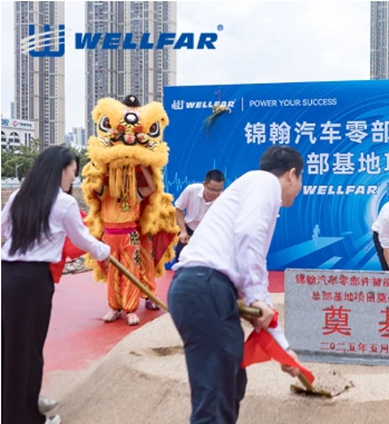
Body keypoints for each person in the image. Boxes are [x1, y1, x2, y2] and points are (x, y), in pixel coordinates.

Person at [168, 146, 304, 423]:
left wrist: (283, 347)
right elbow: (249, 235)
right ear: (292, 174)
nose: (299, 188)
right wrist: (255, 298)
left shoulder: (253, 191)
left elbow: (254, 272)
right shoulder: (265, 182)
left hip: (206, 291)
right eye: (301, 179)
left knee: (231, 385)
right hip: (205, 287)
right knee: (215, 400)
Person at [1, 146, 111, 424]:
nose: (73, 178)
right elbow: (82, 238)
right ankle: (24, 417)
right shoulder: (64, 203)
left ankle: (26, 402)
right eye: (72, 171)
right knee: (28, 348)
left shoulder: (19, 196)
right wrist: (105, 252)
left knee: (14, 346)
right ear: (59, 170)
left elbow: (3, 229)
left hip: (9, 276)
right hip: (33, 281)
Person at [97, 164, 158, 325]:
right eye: (119, 175)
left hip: (130, 236)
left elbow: (152, 187)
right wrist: (102, 165)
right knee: (112, 273)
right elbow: (93, 181)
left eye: (126, 176)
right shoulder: (105, 192)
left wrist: (143, 167)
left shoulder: (135, 193)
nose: (122, 179)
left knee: (132, 272)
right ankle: (114, 308)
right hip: (109, 237)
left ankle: (130, 310)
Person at [174, 169, 225, 260]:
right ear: (204, 185)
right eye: (212, 189)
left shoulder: (224, 198)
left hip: (209, 234)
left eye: (219, 190)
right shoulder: (191, 190)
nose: (215, 193)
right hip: (189, 229)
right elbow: (179, 209)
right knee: (181, 260)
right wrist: (183, 231)